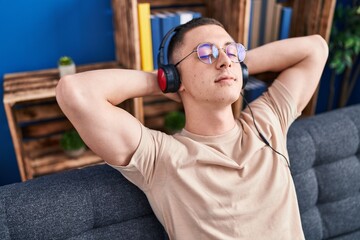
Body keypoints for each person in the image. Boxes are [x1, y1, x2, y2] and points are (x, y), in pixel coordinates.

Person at [56, 17, 328, 239]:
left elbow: (316, 48)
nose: (224, 60)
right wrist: (164, 79)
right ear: (175, 76)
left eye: (231, 50)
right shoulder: (160, 157)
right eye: (206, 53)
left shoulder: (268, 122)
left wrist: (236, 67)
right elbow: (74, 91)